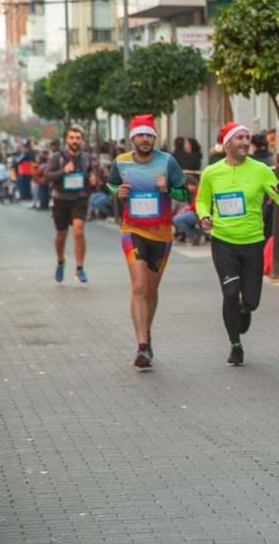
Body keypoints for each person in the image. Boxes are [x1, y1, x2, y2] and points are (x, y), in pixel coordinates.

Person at [197, 122, 279, 365]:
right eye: (238, 137)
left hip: (252, 243)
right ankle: (235, 345)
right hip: (223, 242)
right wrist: (204, 216)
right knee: (230, 293)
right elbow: (201, 201)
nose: (244, 142)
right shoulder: (211, 172)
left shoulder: (260, 169)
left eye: (246, 137)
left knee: (251, 301)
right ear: (227, 143)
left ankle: (245, 308)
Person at [107, 116, 188, 368]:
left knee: (151, 290)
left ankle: (147, 333)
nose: (145, 139)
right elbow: (111, 184)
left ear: (154, 138)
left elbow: (184, 192)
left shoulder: (168, 161)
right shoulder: (121, 162)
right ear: (133, 138)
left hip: (162, 234)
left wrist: (167, 190)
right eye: (140, 135)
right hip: (132, 230)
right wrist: (117, 191)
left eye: (149, 135)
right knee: (139, 285)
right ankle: (142, 345)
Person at [44, 126, 95, 284]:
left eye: (78, 138)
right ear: (66, 140)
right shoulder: (57, 158)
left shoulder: (86, 158)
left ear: (82, 140)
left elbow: (90, 173)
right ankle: (60, 261)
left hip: (79, 198)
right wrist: (63, 171)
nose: (75, 141)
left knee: (79, 231)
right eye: (72, 138)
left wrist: (92, 179)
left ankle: (79, 268)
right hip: (60, 199)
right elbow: (47, 176)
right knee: (61, 234)